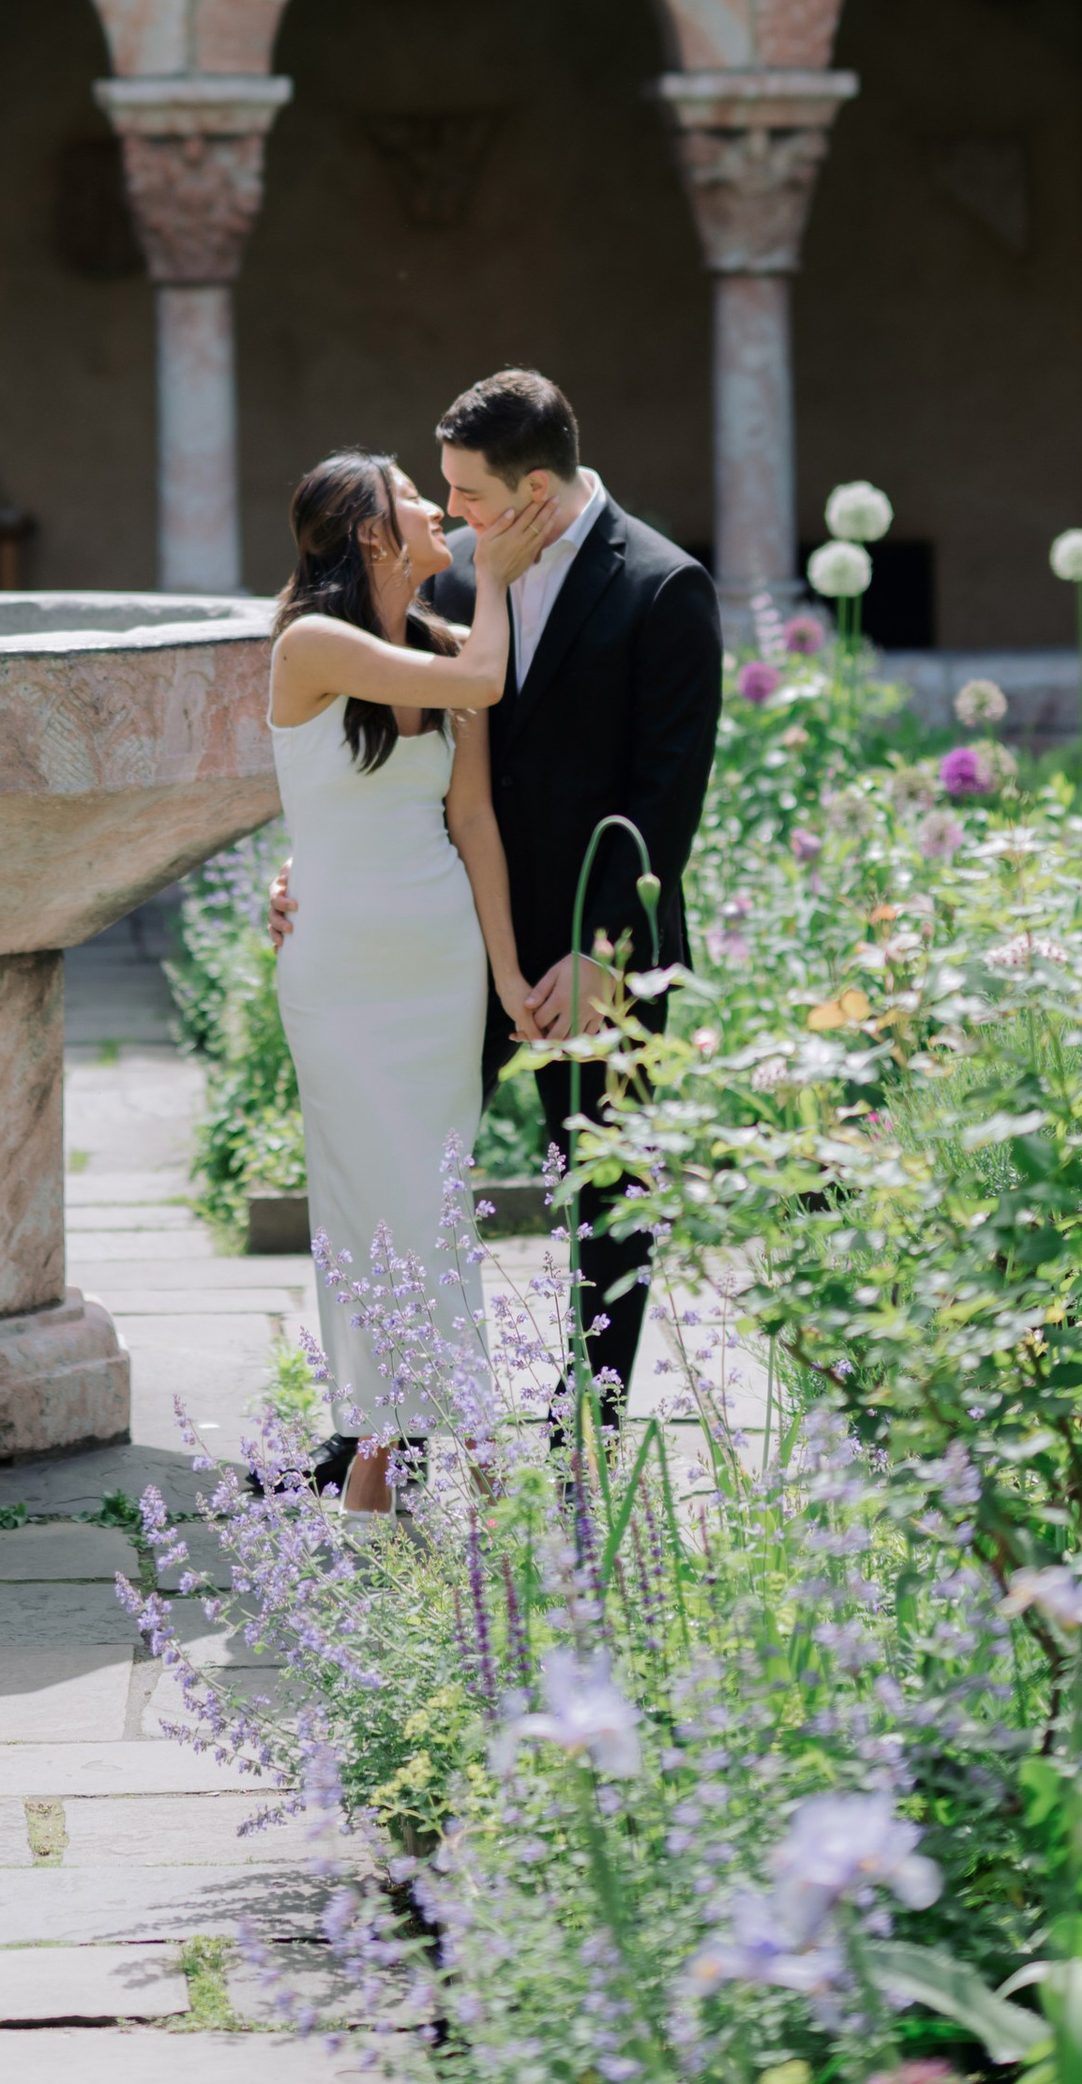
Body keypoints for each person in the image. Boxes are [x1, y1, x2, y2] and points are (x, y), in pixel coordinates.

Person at [275, 369, 722, 1420]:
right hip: (448, 936)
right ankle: (386, 1429)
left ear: (530, 487)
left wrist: (600, 949)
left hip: (588, 943)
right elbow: (373, 747)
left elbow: (666, 799)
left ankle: (588, 1417)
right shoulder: (456, 580)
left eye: (466, 493)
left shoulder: (663, 585)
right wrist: (319, 872)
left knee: (605, 1179)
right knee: (404, 1170)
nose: (451, 513)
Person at [267, 449, 559, 1514]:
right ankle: (441, 1441)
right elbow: (484, 677)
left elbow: (471, 823)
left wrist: (508, 974)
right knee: (365, 1199)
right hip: (338, 969)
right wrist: (491, 570)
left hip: (436, 967)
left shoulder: (440, 647)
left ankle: (388, 1460)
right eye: (412, 496)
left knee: (434, 1199)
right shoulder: (311, 642)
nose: (438, 507)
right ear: (370, 533)